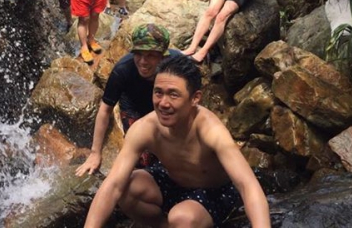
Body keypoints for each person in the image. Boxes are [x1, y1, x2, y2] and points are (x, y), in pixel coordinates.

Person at [83, 55, 271, 228]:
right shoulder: (144, 128)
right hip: (170, 180)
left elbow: (248, 185)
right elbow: (113, 184)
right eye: (158, 93)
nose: (163, 103)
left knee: (181, 217)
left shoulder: (211, 131)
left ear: (195, 98)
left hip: (213, 191)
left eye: (173, 94)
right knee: (126, 187)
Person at [75, 24, 179, 177]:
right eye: (138, 54)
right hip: (134, 107)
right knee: (143, 159)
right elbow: (105, 110)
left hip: (164, 107)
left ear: (163, 55)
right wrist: (95, 153)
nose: (143, 61)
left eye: (151, 55)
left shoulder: (177, 66)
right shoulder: (123, 70)